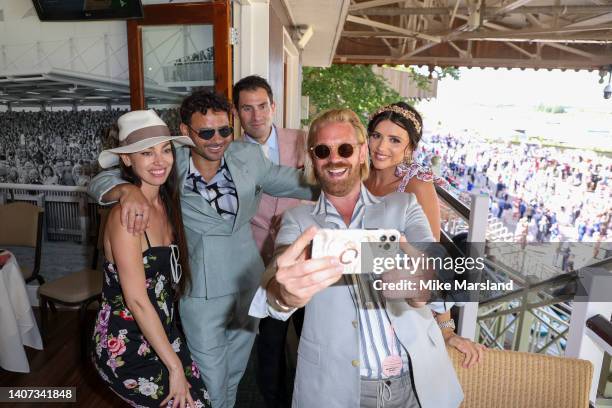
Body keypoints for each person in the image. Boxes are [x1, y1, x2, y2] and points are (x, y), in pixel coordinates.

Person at [88, 91, 317, 408]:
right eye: (206, 132)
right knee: (208, 381)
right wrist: (126, 190)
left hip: (248, 285)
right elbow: (102, 179)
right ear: (186, 132)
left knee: (234, 373)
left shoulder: (247, 157)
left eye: (224, 130)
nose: (217, 140)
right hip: (199, 291)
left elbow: (297, 182)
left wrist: (349, 177)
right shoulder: (169, 163)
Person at [249, 108, 463, 407]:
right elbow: (278, 276)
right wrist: (285, 293)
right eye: (323, 151)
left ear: (362, 153)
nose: (334, 159)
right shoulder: (297, 220)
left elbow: (435, 267)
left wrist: (423, 284)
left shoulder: (404, 205)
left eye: (345, 149)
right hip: (335, 387)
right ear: (313, 159)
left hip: (414, 382)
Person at [91, 110, 211, 408]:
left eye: (166, 150)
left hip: (162, 331)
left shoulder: (166, 202)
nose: (160, 161)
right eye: (147, 153)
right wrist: (174, 368)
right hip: (126, 342)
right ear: (128, 160)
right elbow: (137, 300)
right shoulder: (126, 215)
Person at [365, 103, 484, 368]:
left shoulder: (417, 186)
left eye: (394, 140)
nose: (381, 147)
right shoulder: (358, 175)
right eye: (376, 136)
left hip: (396, 305)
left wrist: (447, 330)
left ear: (410, 148)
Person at [232, 75, 305, 407]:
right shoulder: (229, 153)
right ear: (237, 113)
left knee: (310, 338)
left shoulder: (304, 141)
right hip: (258, 261)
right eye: (247, 108)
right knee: (270, 342)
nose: (256, 116)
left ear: (273, 107)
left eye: (262, 106)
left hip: (305, 257)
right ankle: (273, 401)